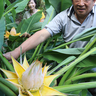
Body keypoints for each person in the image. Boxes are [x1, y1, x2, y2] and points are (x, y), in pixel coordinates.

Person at [3, 0, 96, 61]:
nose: (80, 3)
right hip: (70, 64)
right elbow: (42, 34)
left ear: (94, 1)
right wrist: (15, 52)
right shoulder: (63, 17)